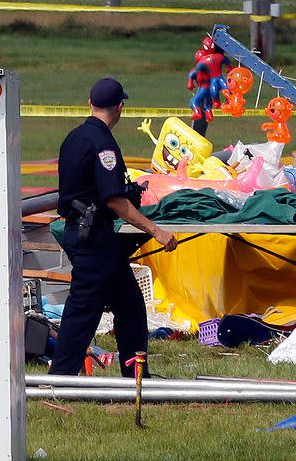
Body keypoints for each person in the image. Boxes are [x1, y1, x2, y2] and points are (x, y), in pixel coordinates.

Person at [49, 77, 178, 378]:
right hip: (93, 238)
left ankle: (136, 376)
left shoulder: (73, 137)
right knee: (83, 312)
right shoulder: (103, 144)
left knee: (131, 307)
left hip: (88, 235)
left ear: (89, 103)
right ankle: (60, 379)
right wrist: (157, 231)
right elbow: (115, 202)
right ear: (120, 107)